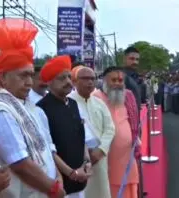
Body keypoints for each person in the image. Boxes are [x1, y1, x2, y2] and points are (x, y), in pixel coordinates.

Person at [0, 18, 65, 198]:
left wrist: (57, 177)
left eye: (30, 75)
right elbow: (20, 164)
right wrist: (53, 188)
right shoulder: (0, 112)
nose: (29, 82)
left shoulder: (30, 107)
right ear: (3, 77)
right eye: (23, 76)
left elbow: (47, 152)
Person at [37, 55, 89, 198]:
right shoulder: (41, 109)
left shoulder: (73, 104)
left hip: (81, 176)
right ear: (49, 83)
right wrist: (71, 173)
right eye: (61, 78)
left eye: (68, 77)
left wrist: (86, 162)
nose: (67, 82)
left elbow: (81, 135)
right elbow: (47, 148)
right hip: (60, 182)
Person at [69, 66, 115, 198]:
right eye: (85, 78)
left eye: (92, 79)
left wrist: (101, 150)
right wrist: (85, 154)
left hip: (99, 157)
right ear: (75, 81)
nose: (89, 82)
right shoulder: (67, 102)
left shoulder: (99, 103)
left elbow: (110, 128)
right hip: (78, 161)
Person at [94, 67, 139, 198]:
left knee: (130, 187)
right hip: (107, 156)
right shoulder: (96, 98)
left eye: (120, 80)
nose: (118, 83)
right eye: (113, 80)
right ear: (104, 81)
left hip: (127, 154)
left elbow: (134, 121)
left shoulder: (127, 96)